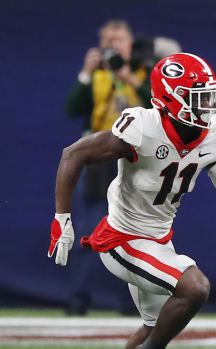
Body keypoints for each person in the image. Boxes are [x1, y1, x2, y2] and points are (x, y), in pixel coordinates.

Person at [48, 53, 216, 349]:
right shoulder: (142, 127)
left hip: (158, 241)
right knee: (195, 288)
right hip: (122, 239)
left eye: (209, 96)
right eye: (198, 97)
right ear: (170, 98)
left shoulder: (215, 135)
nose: (208, 105)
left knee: (154, 324)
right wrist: (62, 217)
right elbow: (73, 154)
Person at [64, 19, 151, 315]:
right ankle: (78, 299)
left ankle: (131, 303)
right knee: (89, 227)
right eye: (107, 41)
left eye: (119, 40)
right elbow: (72, 108)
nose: (112, 46)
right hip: (100, 159)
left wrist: (130, 78)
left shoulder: (143, 72)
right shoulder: (97, 75)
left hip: (135, 161)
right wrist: (85, 74)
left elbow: (159, 103)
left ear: (130, 44)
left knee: (136, 233)